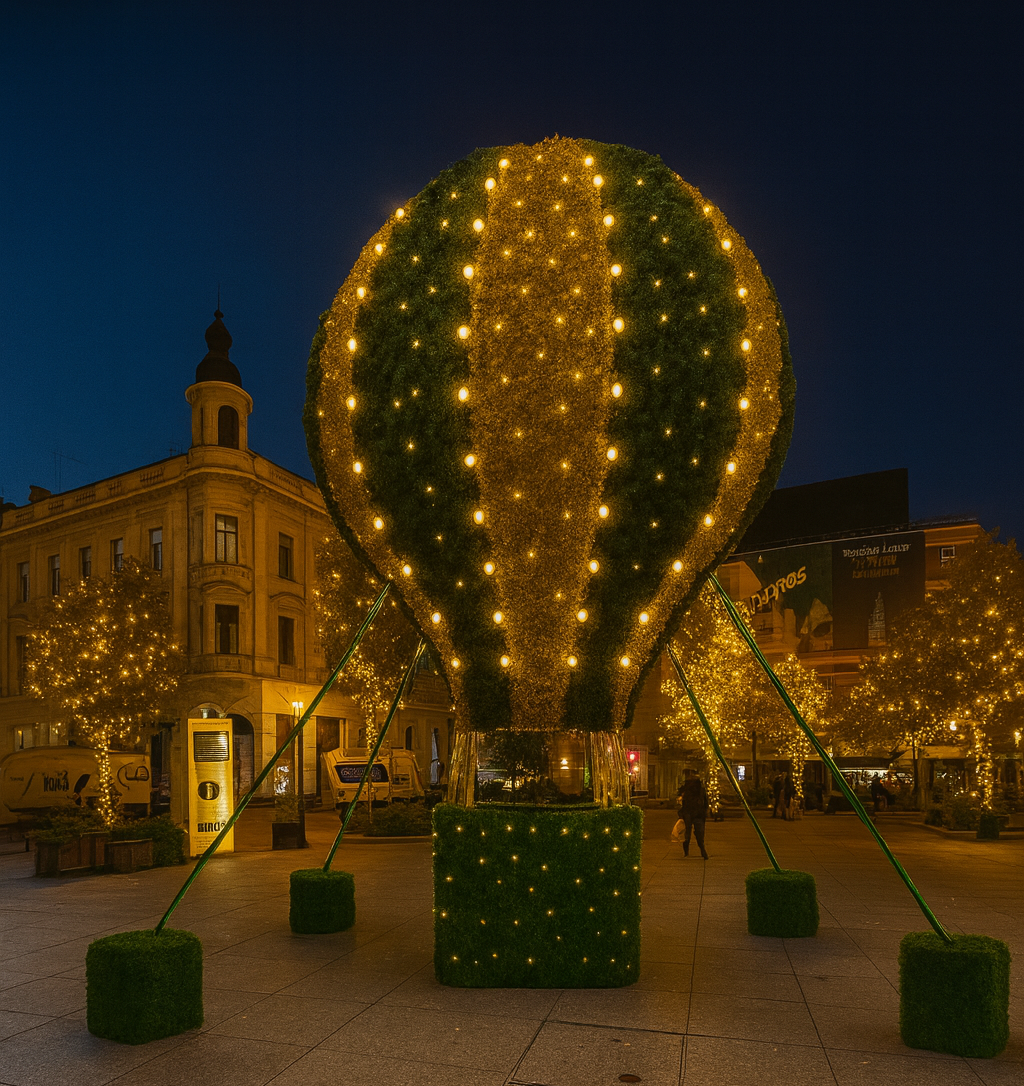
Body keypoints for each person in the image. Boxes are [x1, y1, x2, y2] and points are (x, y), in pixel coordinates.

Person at [675, 770, 710, 858]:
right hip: (697, 813)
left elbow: (681, 799)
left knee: (687, 833)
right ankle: (702, 850)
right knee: (698, 833)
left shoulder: (687, 788)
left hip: (690, 813)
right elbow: (705, 801)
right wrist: (705, 810)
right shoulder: (700, 789)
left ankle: (688, 851)